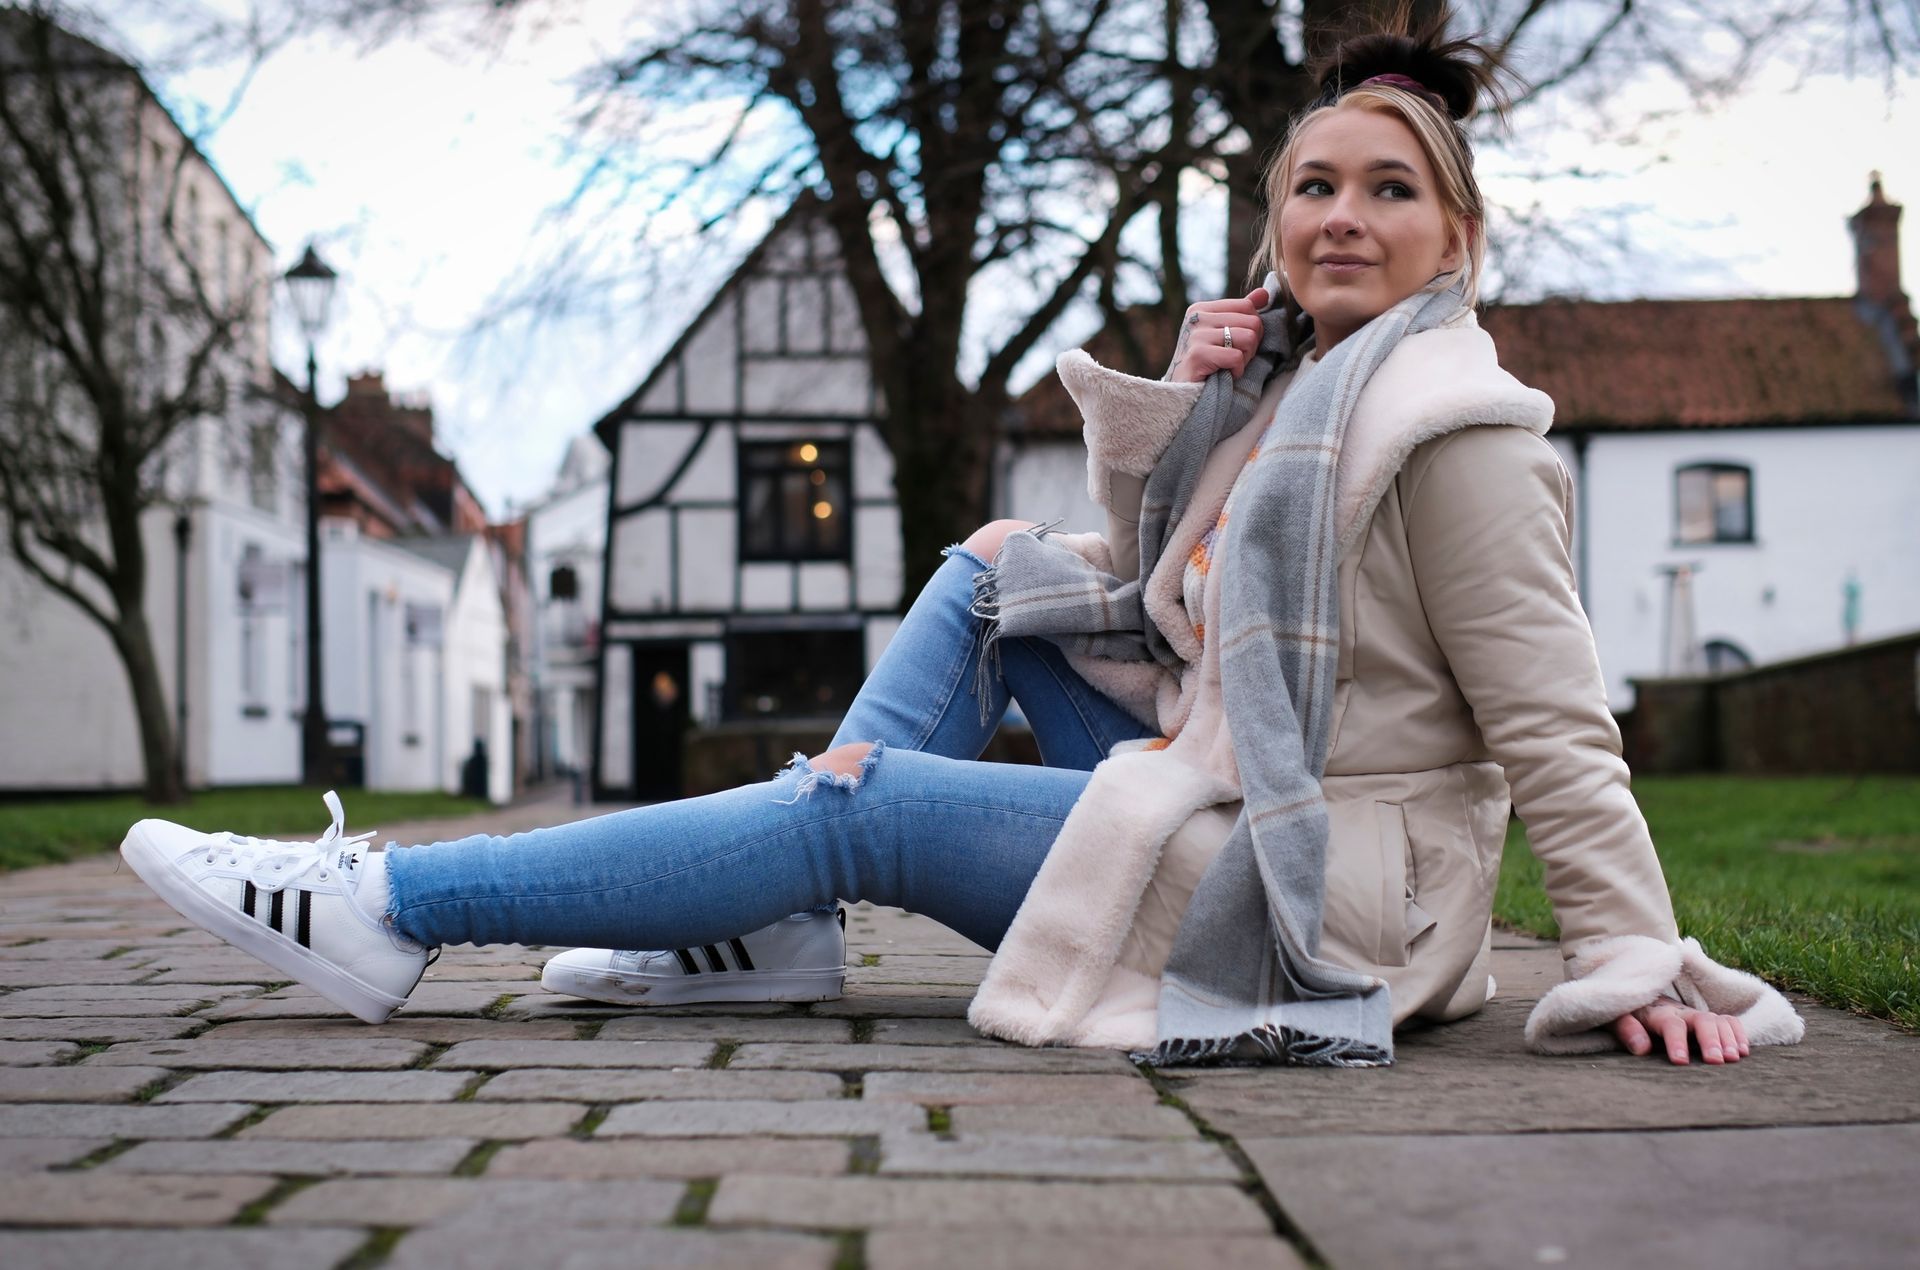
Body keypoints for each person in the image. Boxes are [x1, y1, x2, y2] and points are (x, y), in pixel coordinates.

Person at [120, 8, 1801, 1067]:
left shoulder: (1454, 426)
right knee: (996, 569)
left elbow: (1553, 720)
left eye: (1388, 190)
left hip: (1320, 892)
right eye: (1314, 186)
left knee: (855, 803)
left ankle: (391, 902)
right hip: (1236, 782)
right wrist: (1190, 405)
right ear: (1274, 218)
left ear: (1457, 236)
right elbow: (1166, 609)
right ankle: (773, 926)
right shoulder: (1295, 392)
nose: (1341, 216)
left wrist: (1629, 955)